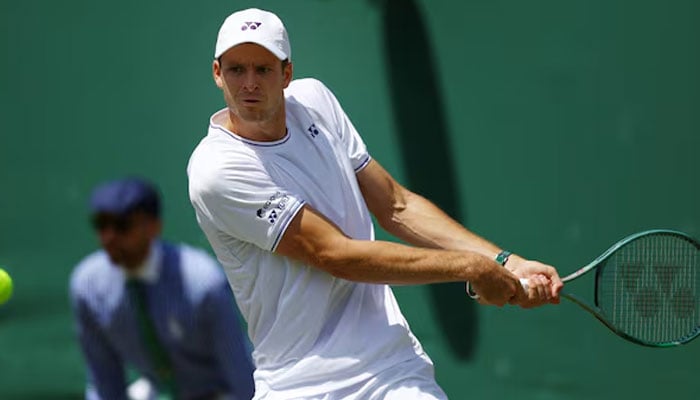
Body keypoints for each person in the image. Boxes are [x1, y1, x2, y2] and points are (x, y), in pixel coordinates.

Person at [187, 8, 564, 399]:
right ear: (218, 73)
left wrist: (505, 262)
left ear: (286, 74)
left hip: (390, 369)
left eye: (263, 69)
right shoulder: (217, 170)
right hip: (299, 385)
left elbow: (396, 206)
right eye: (236, 70)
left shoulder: (316, 101)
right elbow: (336, 254)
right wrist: (472, 268)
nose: (249, 83)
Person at [70, 177, 256, 400]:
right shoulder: (86, 285)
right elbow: (104, 380)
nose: (109, 238)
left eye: (122, 226)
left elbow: (240, 372)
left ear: (154, 227)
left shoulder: (203, 282)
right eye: (101, 225)